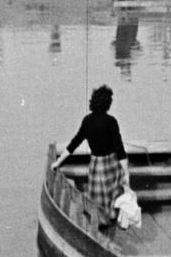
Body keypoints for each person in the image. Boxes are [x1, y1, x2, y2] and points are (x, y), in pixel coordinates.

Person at [53, 83, 130, 230]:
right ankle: (112, 214)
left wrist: (58, 162)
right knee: (113, 189)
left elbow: (74, 143)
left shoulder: (87, 121)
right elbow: (120, 150)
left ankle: (100, 218)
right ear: (108, 104)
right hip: (110, 165)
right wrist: (126, 174)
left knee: (97, 193)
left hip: (95, 165)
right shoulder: (111, 122)